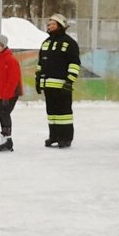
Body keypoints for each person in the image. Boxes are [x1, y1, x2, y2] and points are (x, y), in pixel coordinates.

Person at [36, 13, 81, 148]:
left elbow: (74, 64)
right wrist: (38, 79)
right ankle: (54, 136)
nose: (49, 26)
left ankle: (66, 138)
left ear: (60, 26)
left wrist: (69, 81)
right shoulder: (46, 43)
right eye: (48, 24)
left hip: (62, 86)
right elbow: (40, 64)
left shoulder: (69, 43)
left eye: (52, 24)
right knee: (52, 113)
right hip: (48, 85)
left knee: (64, 113)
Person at [0, 34, 22, 152]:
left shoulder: (11, 60)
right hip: (2, 93)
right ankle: (5, 137)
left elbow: (13, 79)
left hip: (12, 93)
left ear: (3, 46)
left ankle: (7, 139)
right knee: (0, 113)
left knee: (4, 113)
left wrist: (6, 96)